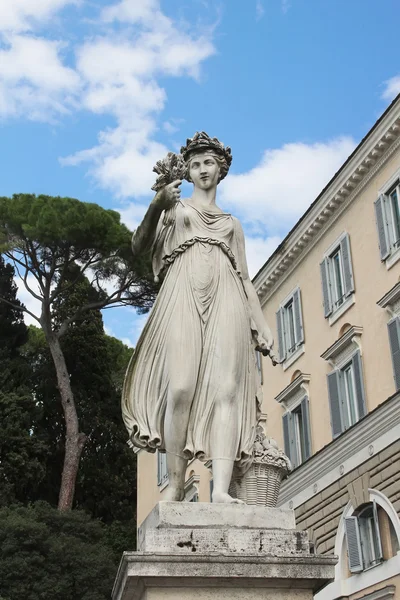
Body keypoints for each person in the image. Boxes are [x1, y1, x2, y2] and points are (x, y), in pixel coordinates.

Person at [122, 132, 275, 503]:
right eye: (195, 164)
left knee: (226, 391)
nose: (203, 169)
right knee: (180, 388)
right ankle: (175, 485)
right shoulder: (174, 209)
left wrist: (262, 324)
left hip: (227, 299)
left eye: (209, 162)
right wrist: (158, 204)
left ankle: (220, 489)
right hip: (182, 295)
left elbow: (244, 278)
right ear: (187, 172)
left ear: (221, 169)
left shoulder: (232, 224)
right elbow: (138, 245)